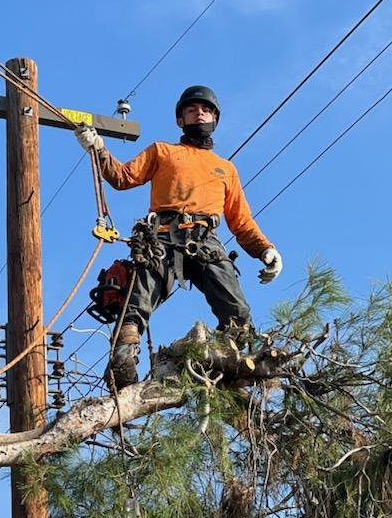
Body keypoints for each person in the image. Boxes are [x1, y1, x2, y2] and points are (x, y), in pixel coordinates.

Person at [75, 85, 282, 388]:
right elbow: (122, 177)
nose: (200, 113)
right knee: (137, 302)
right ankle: (122, 364)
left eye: (206, 109)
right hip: (160, 236)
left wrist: (265, 249)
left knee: (237, 310)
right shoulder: (163, 151)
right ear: (180, 120)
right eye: (191, 110)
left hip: (206, 240)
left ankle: (230, 368)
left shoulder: (226, 169)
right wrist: (99, 148)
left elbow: (240, 221)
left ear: (214, 118)